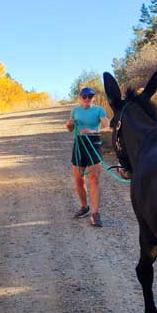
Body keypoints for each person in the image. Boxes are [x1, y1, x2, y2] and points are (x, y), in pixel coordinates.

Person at [65, 87, 110, 227]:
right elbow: (70, 129)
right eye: (84, 96)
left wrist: (92, 130)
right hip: (79, 145)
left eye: (90, 96)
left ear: (93, 97)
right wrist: (69, 125)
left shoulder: (99, 110)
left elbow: (107, 126)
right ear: (80, 97)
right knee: (79, 179)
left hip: (94, 143)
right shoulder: (75, 111)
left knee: (94, 179)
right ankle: (84, 207)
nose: (87, 99)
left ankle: (96, 214)